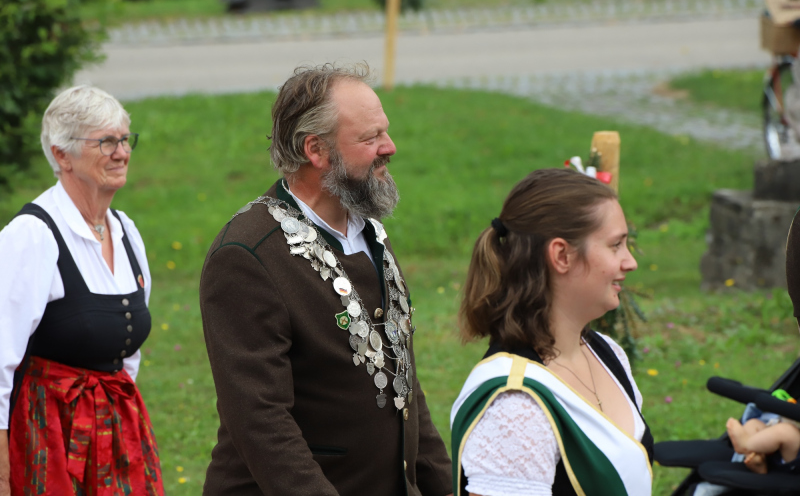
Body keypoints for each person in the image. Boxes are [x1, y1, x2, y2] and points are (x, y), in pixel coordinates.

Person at [199, 64, 453, 496]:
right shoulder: (246, 255)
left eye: (385, 132)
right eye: (370, 138)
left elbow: (403, 383)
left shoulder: (369, 233)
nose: (389, 147)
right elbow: (261, 421)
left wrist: (439, 486)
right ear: (315, 150)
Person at [0, 86, 163, 496]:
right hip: (46, 432)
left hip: (116, 427)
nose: (121, 153)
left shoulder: (125, 231)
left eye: (125, 139)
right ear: (62, 155)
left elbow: (126, 355)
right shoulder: (32, 236)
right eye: (106, 142)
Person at [450, 168, 653, 496]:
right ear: (561, 255)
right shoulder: (516, 406)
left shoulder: (606, 353)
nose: (630, 262)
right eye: (616, 245)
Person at [726, 414, 800, 474]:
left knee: (786, 432)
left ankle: (745, 444)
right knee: (753, 424)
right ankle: (756, 458)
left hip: (793, 453)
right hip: (780, 428)